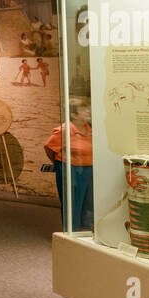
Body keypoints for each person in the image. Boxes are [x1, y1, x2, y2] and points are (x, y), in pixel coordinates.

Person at [45, 96, 94, 231]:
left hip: (88, 170)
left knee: (88, 204)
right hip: (71, 170)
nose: (88, 112)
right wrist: (60, 163)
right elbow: (49, 147)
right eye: (84, 110)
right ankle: (71, 235)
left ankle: (86, 235)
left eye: (87, 110)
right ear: (73, 114)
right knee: (73, 205)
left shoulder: (89, 129)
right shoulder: (65, 130)